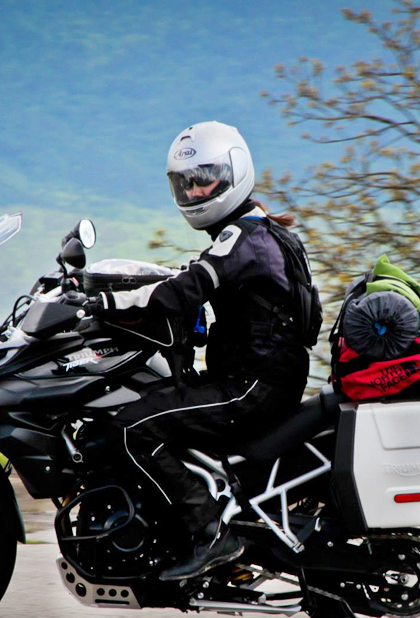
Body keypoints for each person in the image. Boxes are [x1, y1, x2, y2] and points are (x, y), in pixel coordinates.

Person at [83, 121, 320, 580]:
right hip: (261, 381)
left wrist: (102, 303)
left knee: (131, 427)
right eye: (185, 183)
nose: (194, 191)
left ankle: (211, 532)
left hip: (250, 387)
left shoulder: (244, 239)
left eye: (204, 178)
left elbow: (184, 288)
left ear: (235, 173)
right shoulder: (257, 233)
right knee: (156, 400)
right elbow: (191, 274)